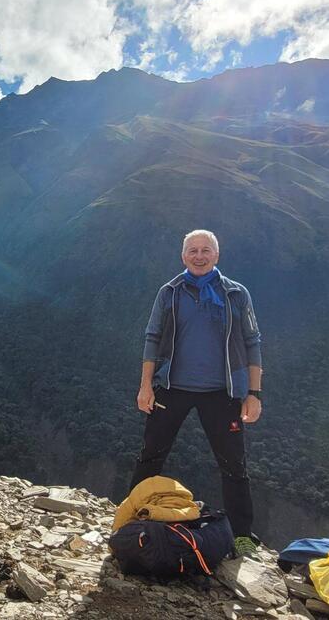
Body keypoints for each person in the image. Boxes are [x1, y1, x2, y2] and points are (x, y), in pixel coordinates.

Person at [133, 229, 264, 557]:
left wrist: (254, 393)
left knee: (234, 463)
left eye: (206, 250)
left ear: (217, 256)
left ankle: (241, 534)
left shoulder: (236, 294)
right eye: (193, 250)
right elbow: (153, 336)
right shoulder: (170, 292)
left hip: (223, 392)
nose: (199, 256)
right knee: (151, 454)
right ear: (183, 256)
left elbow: (252, 342)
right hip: (172, 387)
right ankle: (134, 517)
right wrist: (145, 385)